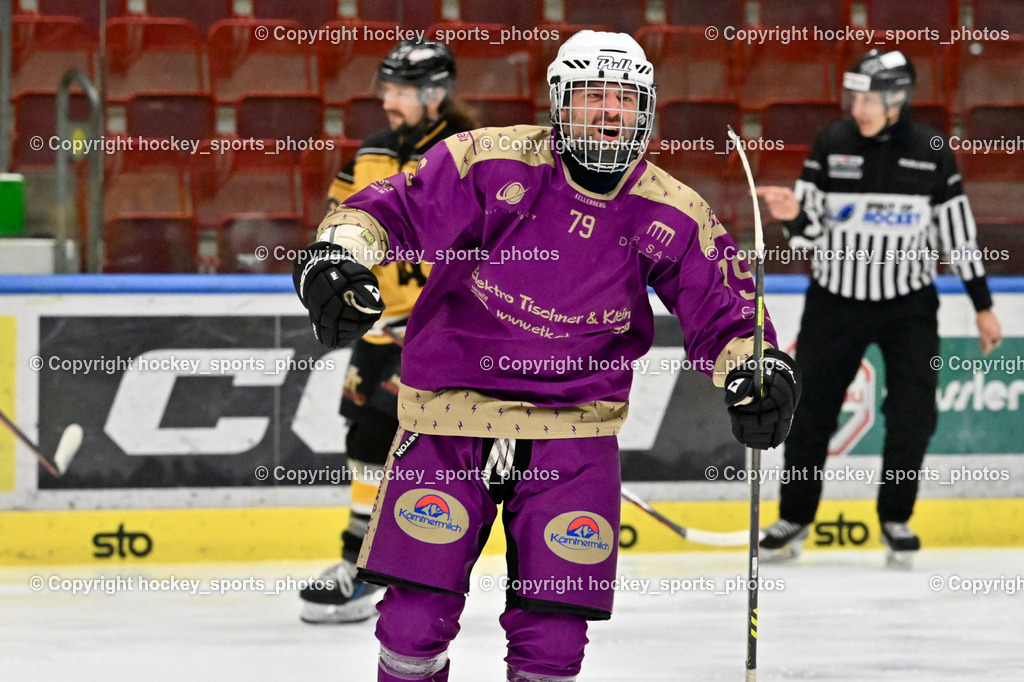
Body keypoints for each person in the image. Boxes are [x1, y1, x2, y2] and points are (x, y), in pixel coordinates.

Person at [293, 30, 800, 682]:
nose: (610, 112)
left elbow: (726, 312)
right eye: (593, 97)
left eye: (625, 98)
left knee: (555, 641)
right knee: (413, 623)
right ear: (560, 103)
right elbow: (392, 210)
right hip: (451, 420)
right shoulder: (491, 162)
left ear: (647, 109)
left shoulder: (670, 210)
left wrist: (756, 371)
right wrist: (337, 254)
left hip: (572, 435)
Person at [756, 49, 1002, 567]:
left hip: (909, 307)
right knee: (811, 411)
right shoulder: (833, 142)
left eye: (870, 98)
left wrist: (982, 305)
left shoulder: (932, 150)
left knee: (913, 416)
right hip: (834, 302)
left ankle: (896, 518)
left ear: (898, 98)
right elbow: (808, 239)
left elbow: (957, 235)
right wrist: (794, 216)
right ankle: (795, 517)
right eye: (855, 97)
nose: (859, 108)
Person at [299, 38, 479, 624]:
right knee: (363, 439)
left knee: (388, 435)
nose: (388, 100)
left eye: (400, 90)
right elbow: (340, 224)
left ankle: (379, 565)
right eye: (387, 88)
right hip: (379, 331)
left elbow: (494, 248)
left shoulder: (468, 155)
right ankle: (369, 562)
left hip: (442, 334)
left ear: (436, 94)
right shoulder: (372, 153)